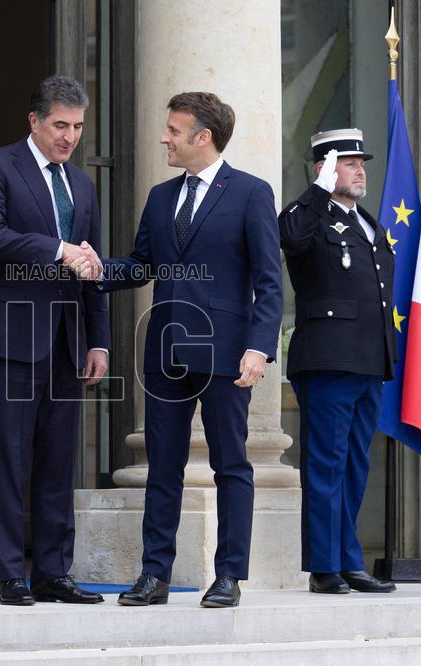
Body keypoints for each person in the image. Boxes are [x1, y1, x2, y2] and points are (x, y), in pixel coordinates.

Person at [89, 92, 282, 608]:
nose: (164, 138)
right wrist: (98, 269)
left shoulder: (251, 193)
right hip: (165, 351)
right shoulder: (159, 197)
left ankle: (229, 576)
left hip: (226, 354)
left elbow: (269, 280)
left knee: (231, 465)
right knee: (163, 466)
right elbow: (142, 264)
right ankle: (155, 575)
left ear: (204, 137)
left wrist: (259, 348)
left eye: (173, 131)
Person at [0, 75, 110, 606]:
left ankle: (53, 572)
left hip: (68, 342)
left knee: (58, 462)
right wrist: (57, 249)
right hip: (13, 337)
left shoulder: (83, 184)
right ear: (34, 121)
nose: (69, 137)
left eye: (78, 127)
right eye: (59, 125)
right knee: (9, 458)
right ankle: (10, 573)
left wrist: (99, 341)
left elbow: (91, 264)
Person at [278, 129, 397, 594]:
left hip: (367, 360)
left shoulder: (367, 224)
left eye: (361, 163)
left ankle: (349, 561)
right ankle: (324, 566)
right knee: (326, 464)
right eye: (349, 163)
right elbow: (290, 238)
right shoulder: (308, 215)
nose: (359, 170)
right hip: (328, 359)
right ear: (324, 168)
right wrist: (318, 190)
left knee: (353, 466)